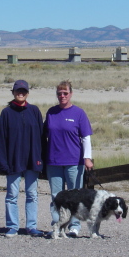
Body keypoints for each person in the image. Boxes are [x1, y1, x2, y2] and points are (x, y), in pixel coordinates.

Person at [44, 80, 94, 238]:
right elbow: (44, 135)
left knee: (74, 196)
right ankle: (57, 225)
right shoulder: (51, 112)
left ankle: (74, 226)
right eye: (59, 93)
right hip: (53, 161)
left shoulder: (78, 113)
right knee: (56, 196)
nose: (62, 96)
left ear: (71, 94)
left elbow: (86, 137)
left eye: (65, 93)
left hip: (74, 161)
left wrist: (87, 158)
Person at [0, 80, 45, 238]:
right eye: (18, 91)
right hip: (13, 160)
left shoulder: (35, 111)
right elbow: (1, 140)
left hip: (32, 160)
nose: (20, 93)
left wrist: (41, 158)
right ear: (13, 92)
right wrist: (3, 162)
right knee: (11, 195)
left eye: (23, 91)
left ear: (27, 93)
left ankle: (31, 226)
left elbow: (42, 138)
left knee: (32, 194)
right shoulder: (6, 113)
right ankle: (12, 226)